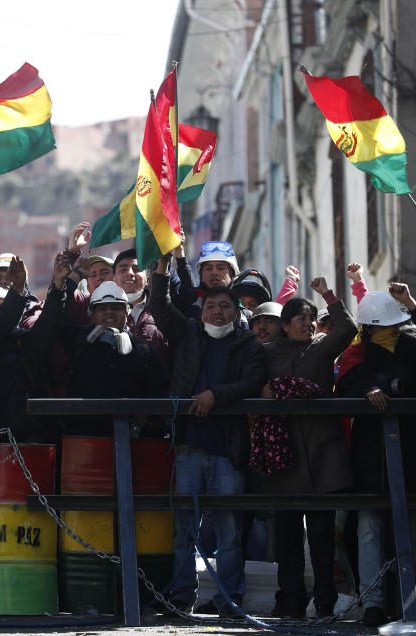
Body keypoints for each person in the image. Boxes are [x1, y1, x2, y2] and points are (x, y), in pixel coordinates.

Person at [149, 255, 267, 616]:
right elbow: (159, 305)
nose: (217, 312)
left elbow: (253, 380)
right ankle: (182, 596)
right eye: (211, 306)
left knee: (229, 533)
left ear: (236, 311)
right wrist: (161, 270)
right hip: (188, 446)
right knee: (184, 529)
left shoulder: (247, 344)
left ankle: (231, 600)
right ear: (202, 309)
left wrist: (216, 395)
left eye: (225, 306)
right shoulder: (188, 333)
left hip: (227, 451)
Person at [334, 285, 416, 627]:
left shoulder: (413, 343)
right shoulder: (356, 354)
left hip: (410, 448)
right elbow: (345, 385)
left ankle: (407, 596)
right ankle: (373, 603)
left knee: (407, 528)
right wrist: (368, 389)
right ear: (370, 327)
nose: (394, 328)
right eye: (387, 324)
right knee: (368, 529)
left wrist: (412, 302)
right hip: (370, 454)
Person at [261, 279, 356, 620]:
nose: (307, 322)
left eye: (311, 317)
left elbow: (348, 327)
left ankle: (326, 603)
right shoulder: (267, 353)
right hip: (283, 453)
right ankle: (290, 601)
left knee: (321, 537)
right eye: (299, 317)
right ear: (284, 325)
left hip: (322, 454)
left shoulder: (321, 347)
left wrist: (328, 295)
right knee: (286, 539)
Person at [42, 254, 168, 436]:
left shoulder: (142, 350)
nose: (109, 313)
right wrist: (68, 280)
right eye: (102, 308)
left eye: (116, 308)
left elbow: (160, 388)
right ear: (91, 314)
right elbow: (53, 314)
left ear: (126, 313)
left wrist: (147, 412)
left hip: (129, 443)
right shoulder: (77, 339)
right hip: (83, 441)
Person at [0, 256, 58, 442]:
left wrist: (62, 283)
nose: (0, 313)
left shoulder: (27, 342)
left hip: (28, 438)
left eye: (4, 307)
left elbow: (51, 319)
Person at [111, 248, 169, 364]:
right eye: (123, 270)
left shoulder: (165, 310)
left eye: (136, 269)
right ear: (114, 279)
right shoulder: (102, 312)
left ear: (147, 279)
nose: (130, 273)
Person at [172, 241, 240, 321]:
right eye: (208, 268)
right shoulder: (189, 303)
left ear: (231, 275)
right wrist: (178, 252)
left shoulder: (243, 308)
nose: (214, 272)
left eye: (220, 268)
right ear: (201, 275)